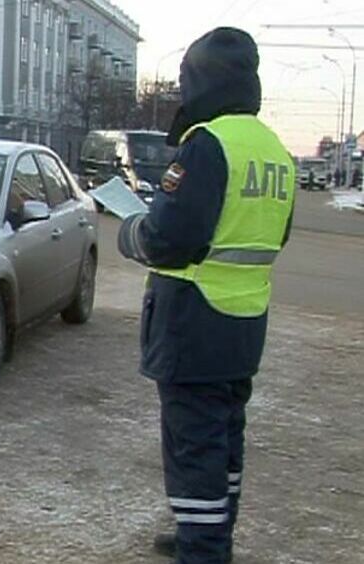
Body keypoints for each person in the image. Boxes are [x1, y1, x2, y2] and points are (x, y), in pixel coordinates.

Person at [117, 28, 295, 564]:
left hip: (194, 323)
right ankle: (213, 533)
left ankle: (203, 547)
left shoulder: (209, 143)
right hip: (243, 320)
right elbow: (276, 235)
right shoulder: (273, 149)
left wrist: (130, 232)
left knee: (193, 445)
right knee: (223, 438)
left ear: (199, 79)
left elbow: (169, 238)